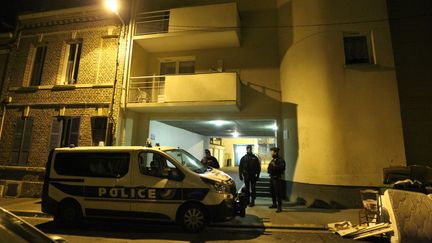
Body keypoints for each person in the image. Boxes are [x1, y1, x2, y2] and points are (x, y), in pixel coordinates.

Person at [267, 147, 286, 213]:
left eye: (272, 152)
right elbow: (269, 168)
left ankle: (279, 207)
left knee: (278, 193)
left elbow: (282, 168)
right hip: (272, 178)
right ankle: (274, 204)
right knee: (272, 192)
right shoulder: (273, 160)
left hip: (277, 178)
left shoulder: (280, 160)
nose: (271, 153)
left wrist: (275, 166)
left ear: (275, 152)